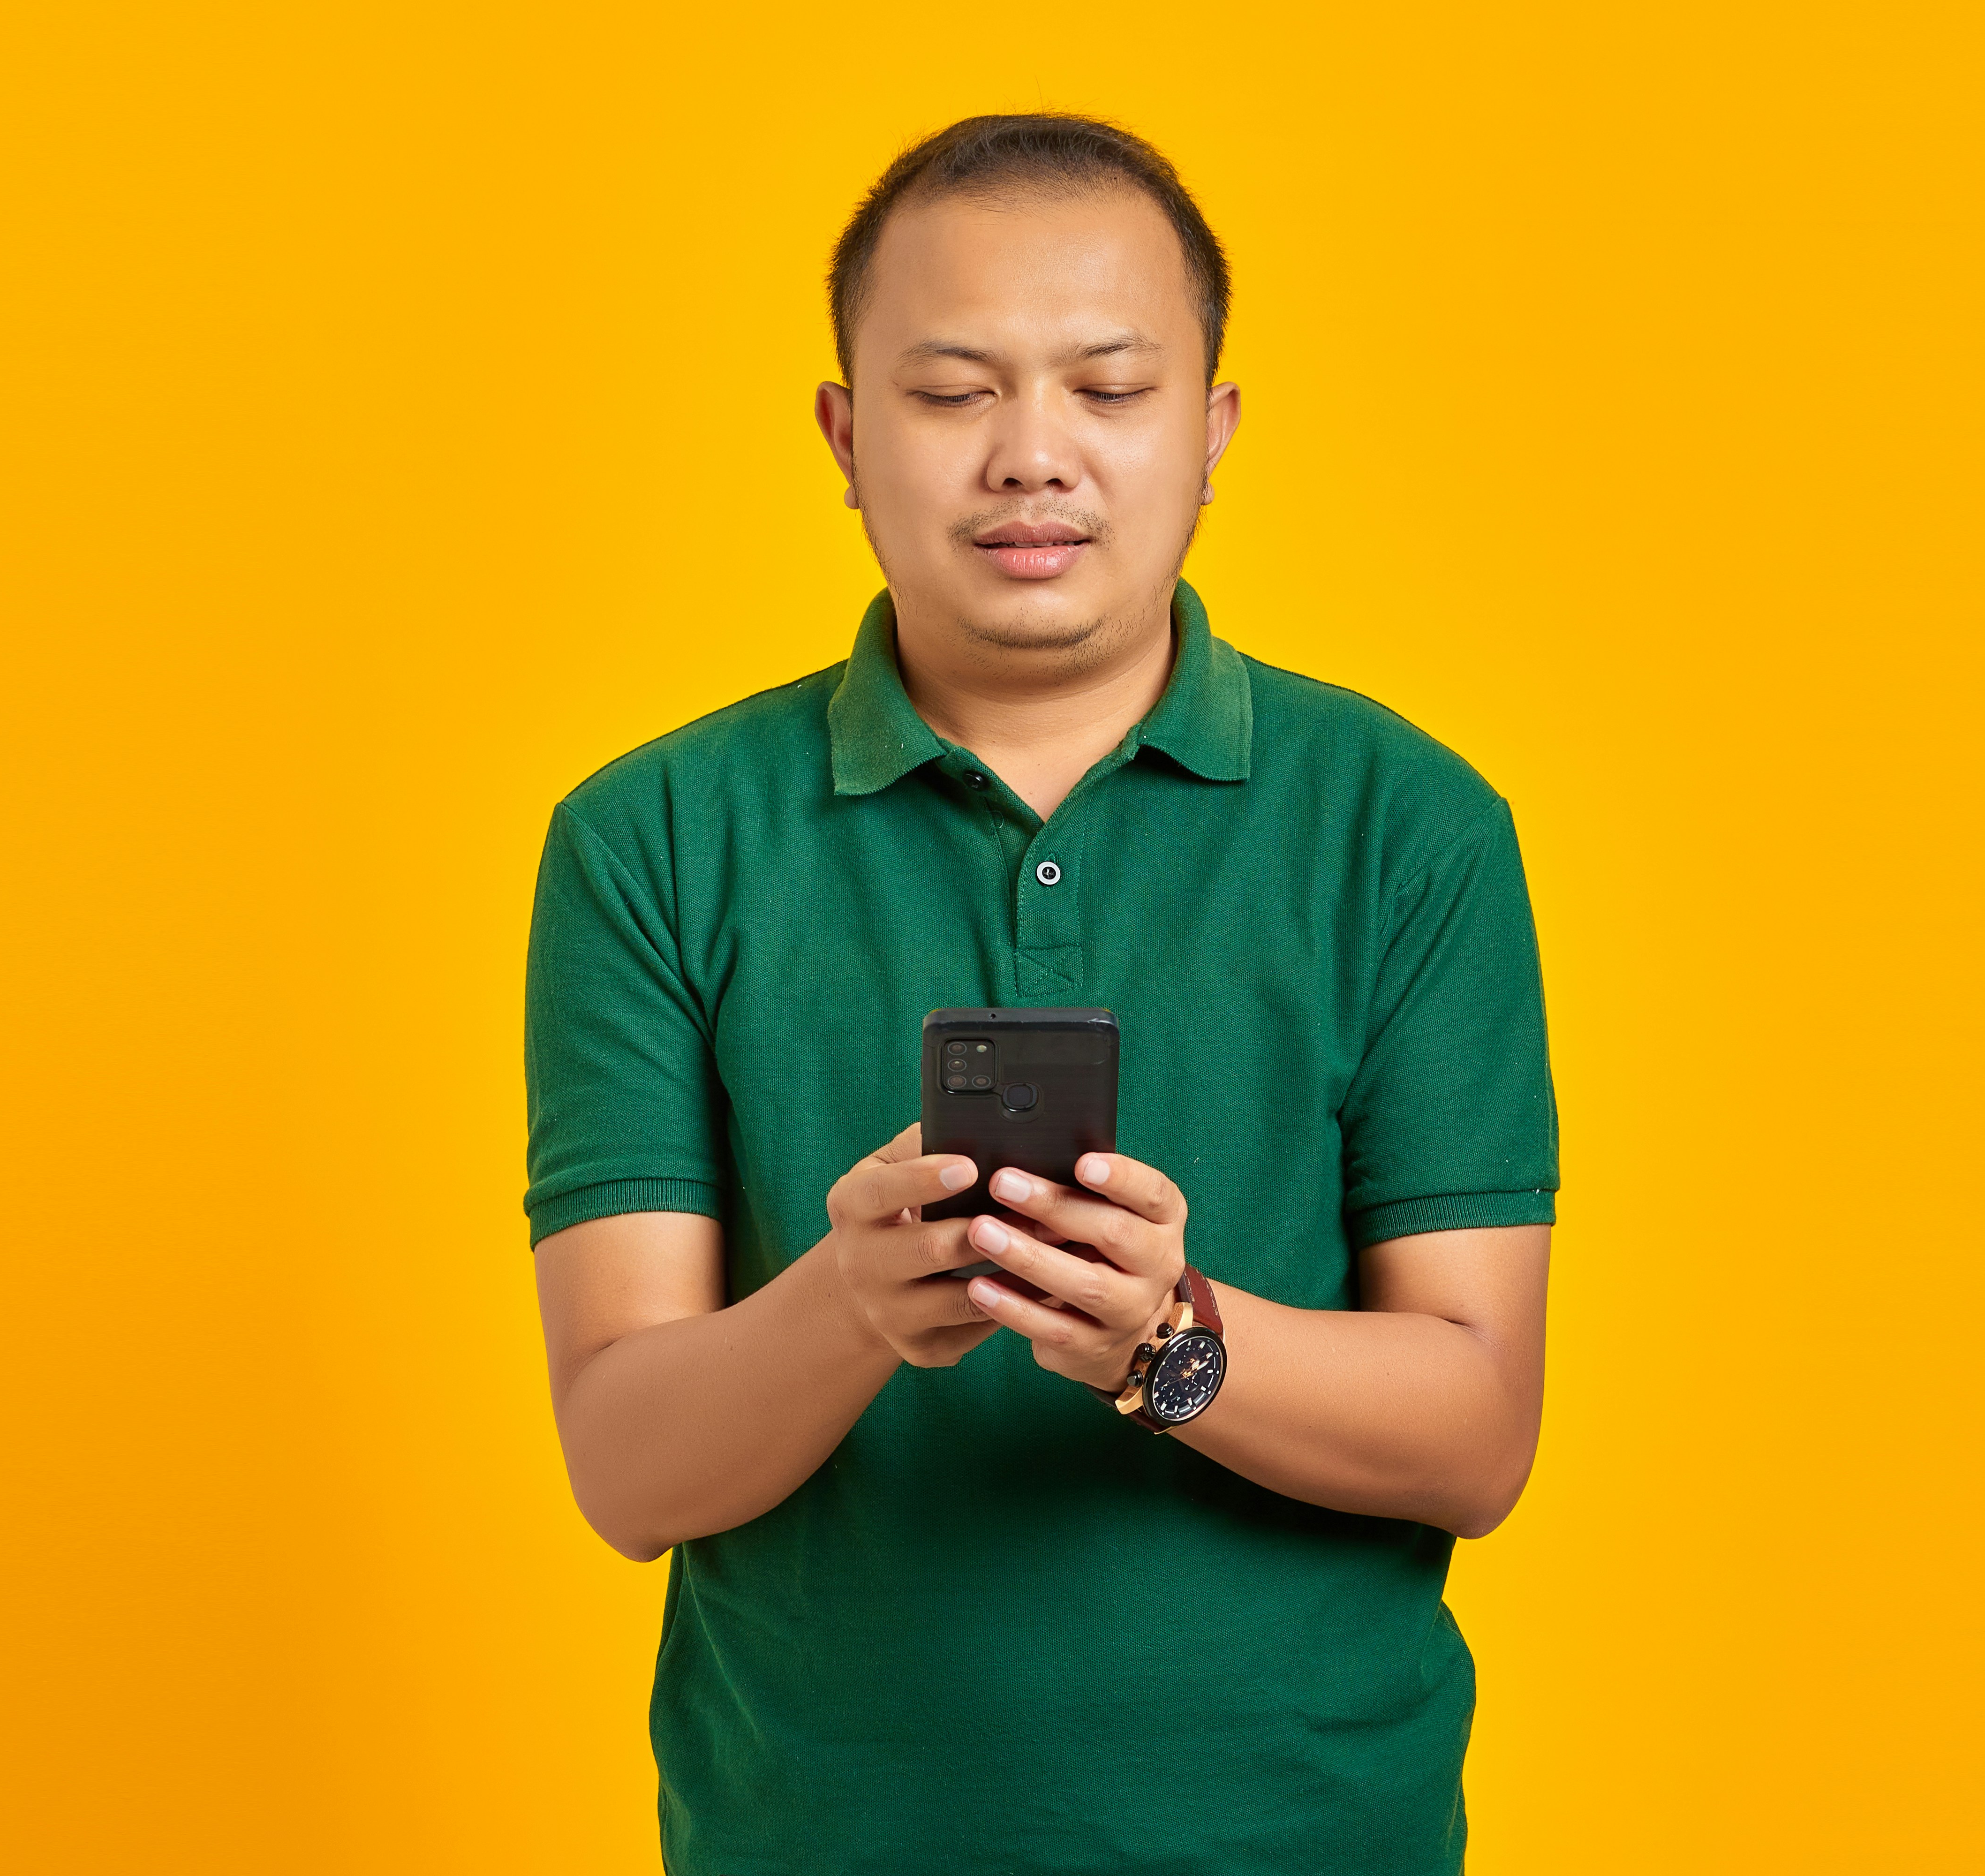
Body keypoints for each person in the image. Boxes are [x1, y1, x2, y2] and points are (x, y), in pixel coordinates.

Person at [525, 113, 1558, 1876]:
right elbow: (626, 1467)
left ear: (1213, 434)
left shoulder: (1409, 826)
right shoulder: (653, 840)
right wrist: (854, 1303)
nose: (1033, 458)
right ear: (846, 437)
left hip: (1312, 1839)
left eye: (1109, 387)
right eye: (951, 393)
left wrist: (1174, 1343)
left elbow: (1478, 1434)